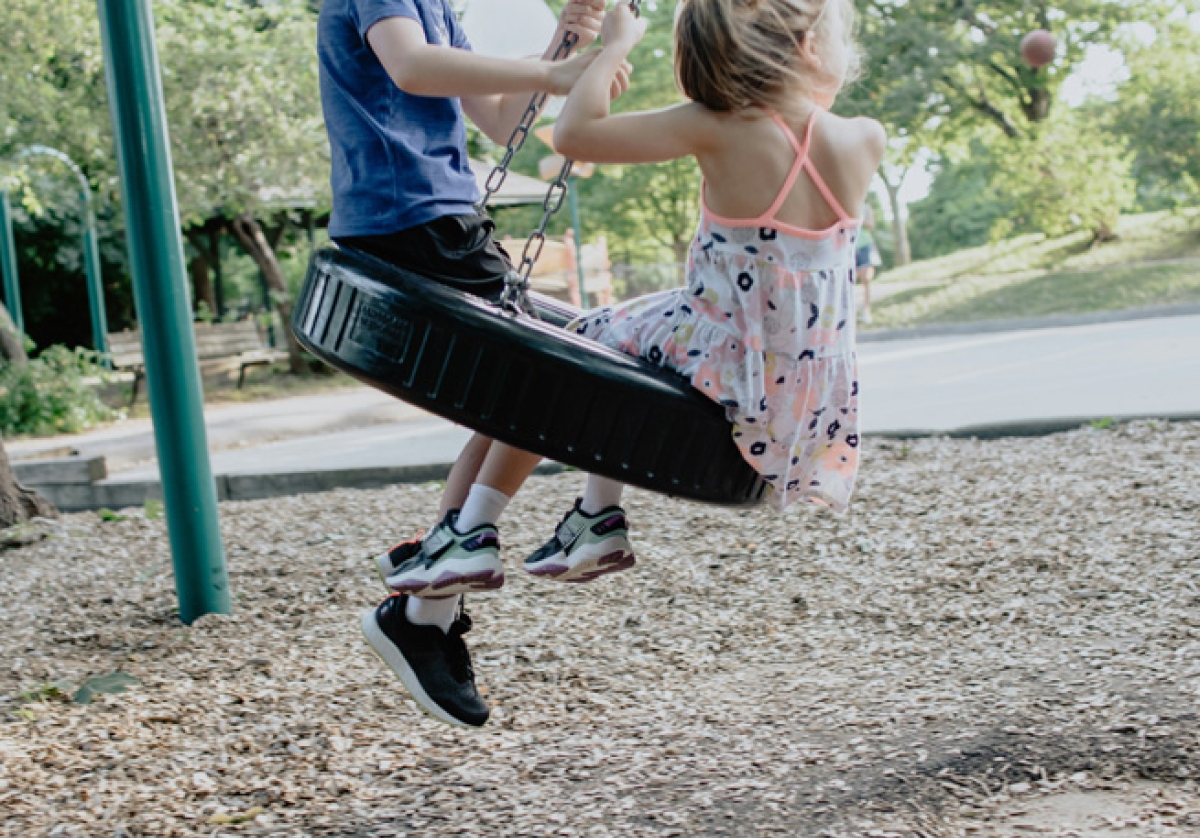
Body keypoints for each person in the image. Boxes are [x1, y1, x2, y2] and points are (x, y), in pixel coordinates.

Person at [373, 0, 886, 728]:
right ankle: (592, 515)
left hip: (719, 357)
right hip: (800, 405)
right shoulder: (864, 138)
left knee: (575, 350)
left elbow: (573, 134)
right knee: (614, 351)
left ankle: (485, 524)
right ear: (807, 46)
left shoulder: (716, 126)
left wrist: (612, 47)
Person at [318, 0, 631, 729]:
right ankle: (434, 604)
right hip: (411, 222)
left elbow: (501, 123)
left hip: (441, 221)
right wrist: (557, 69)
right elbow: (410, 66)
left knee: (519, 401)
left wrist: (573, 44)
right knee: (554, 379)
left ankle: (428, 608)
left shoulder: (439, 8)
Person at [854, 204, 882, 323]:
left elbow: (871, 225)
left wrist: (858, 219)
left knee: (866, 279)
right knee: (850, 281)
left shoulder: (866, 207)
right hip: (848, 247)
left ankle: (866, 310)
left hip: (865, 246)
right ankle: (851, 310)